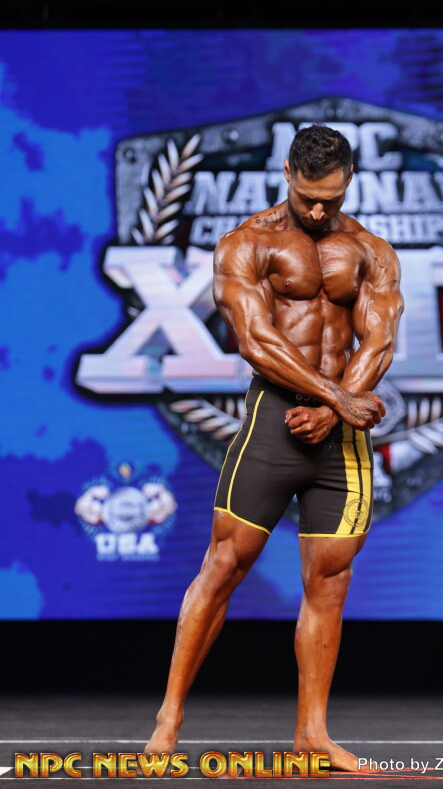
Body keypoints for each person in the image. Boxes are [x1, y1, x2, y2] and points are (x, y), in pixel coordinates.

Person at [143, 124, 404, 772]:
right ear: (287, 172)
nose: (317, 210)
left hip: (338, 435)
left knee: (331, 578)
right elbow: (255, 341)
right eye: (308, 196)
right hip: (273, 423)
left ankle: (312, 734)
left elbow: (379, 340)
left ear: (349, 181)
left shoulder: (371, 251)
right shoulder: (247, 244)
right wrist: (338, 399)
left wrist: (334, 409)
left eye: (331, 198)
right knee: (224, 564)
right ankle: (168, 717)